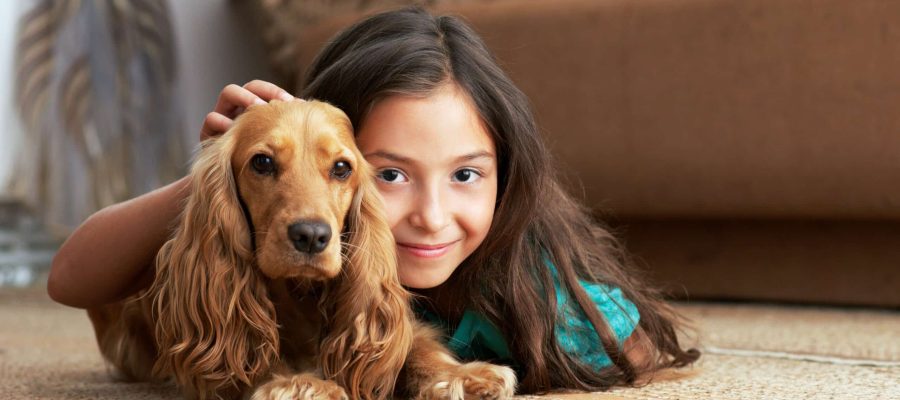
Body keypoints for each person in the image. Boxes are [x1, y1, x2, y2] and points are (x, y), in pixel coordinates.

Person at [48, 6, 699, 394]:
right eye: (389, 175)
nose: (431, 214)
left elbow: (632, 349)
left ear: (507, 175)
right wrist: (225, 166)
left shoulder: (520, 271)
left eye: (466, 175)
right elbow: (71, 280)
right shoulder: (245, 225)